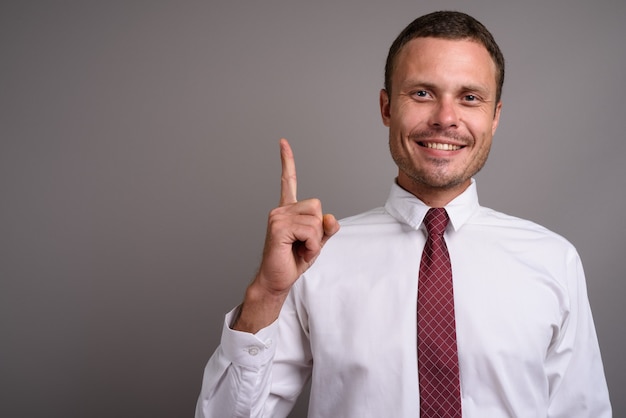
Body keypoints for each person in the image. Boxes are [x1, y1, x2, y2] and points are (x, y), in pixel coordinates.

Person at [195, 11, 611, 417]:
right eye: (422, 93)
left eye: (469, 97)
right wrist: (266, 296)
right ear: (386, 108)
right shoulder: (315, 258)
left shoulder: (553, 261)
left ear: (495, 116)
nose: (446, 118)